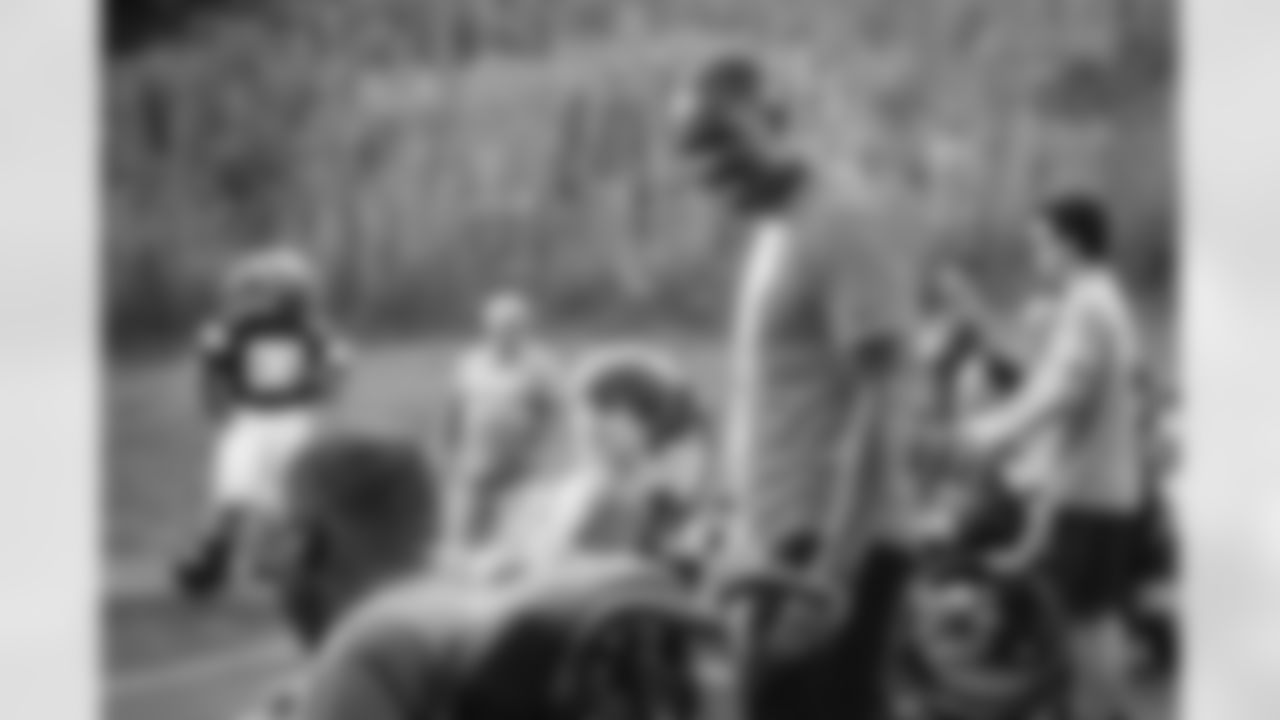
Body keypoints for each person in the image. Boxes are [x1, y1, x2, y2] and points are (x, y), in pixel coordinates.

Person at [674, 52, 932, 719]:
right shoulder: (775, 229)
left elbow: (883, 402)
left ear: (775, 118)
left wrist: (830, 573)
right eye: (693, 149)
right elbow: (777, 394)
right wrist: (727, 517)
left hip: (829, 545)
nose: (708, 168)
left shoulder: (843, 218)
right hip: (778, 541)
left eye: (723, 140)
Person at [949, 195, 1148, 720]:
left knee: (1085, 630)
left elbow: (1058, 392)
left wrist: (989, 432)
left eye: (1041, 244)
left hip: (1089, 494)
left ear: (1071, 244)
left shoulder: (1088, 305)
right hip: (1101, 490)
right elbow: (1051, 382)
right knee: (1094, 623)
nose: (1037, 257)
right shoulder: (1102, 300)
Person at [174, 244, 349, 601]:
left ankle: (290, 558)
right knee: (233, 487)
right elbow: (214, 362)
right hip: (250, 418)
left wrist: (328, 381)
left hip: (292, 419)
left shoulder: (308, 330)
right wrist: (211, 392)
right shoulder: (240, 328)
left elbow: (333, 368)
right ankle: (215, 556)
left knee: (285, 495)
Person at [440, 291, 562, 560]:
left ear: (525, 329)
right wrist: (451, 454)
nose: (505, 333)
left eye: (513, 326)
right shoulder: (470, 363)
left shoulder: (539, 365)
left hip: (521, 467)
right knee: (468, 536)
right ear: (487, 328)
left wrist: (535, 448)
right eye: (498, 326)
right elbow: (454, 411)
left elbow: (551, 413)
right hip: (476, 464)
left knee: (517, 538)